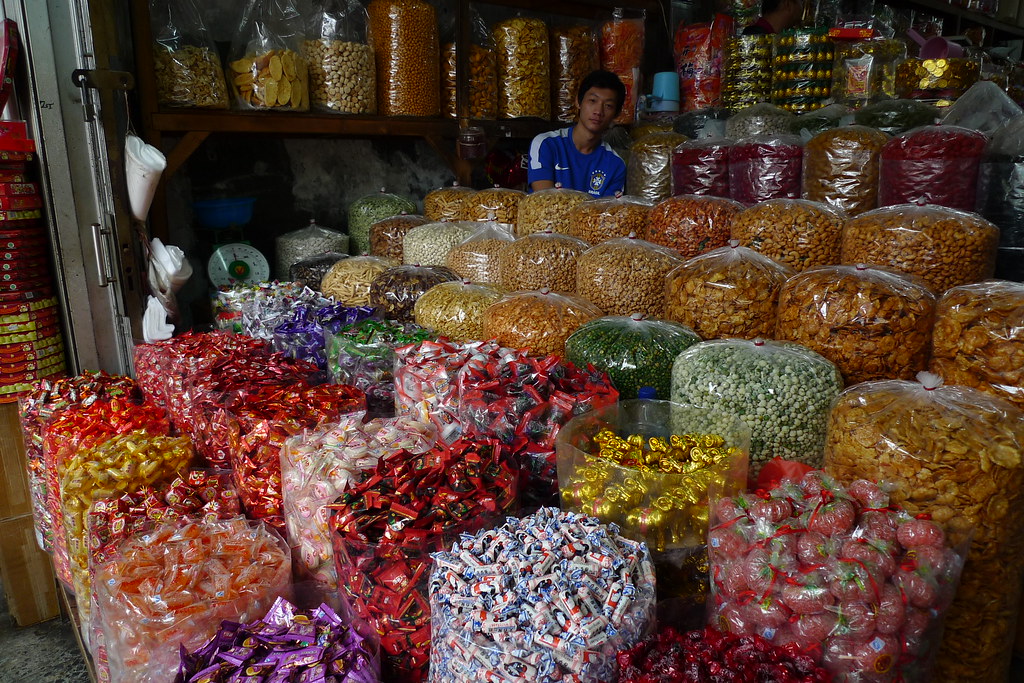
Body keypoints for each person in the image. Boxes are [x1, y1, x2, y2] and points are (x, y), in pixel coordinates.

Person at [527, 70, 627, 198]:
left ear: (616, 114)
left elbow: (605, 213)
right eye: (592, 101)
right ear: (578, 102)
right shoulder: (546, 144)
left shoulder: (615, 164)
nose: (598, 111)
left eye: (608, 105)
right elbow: (546, 203)